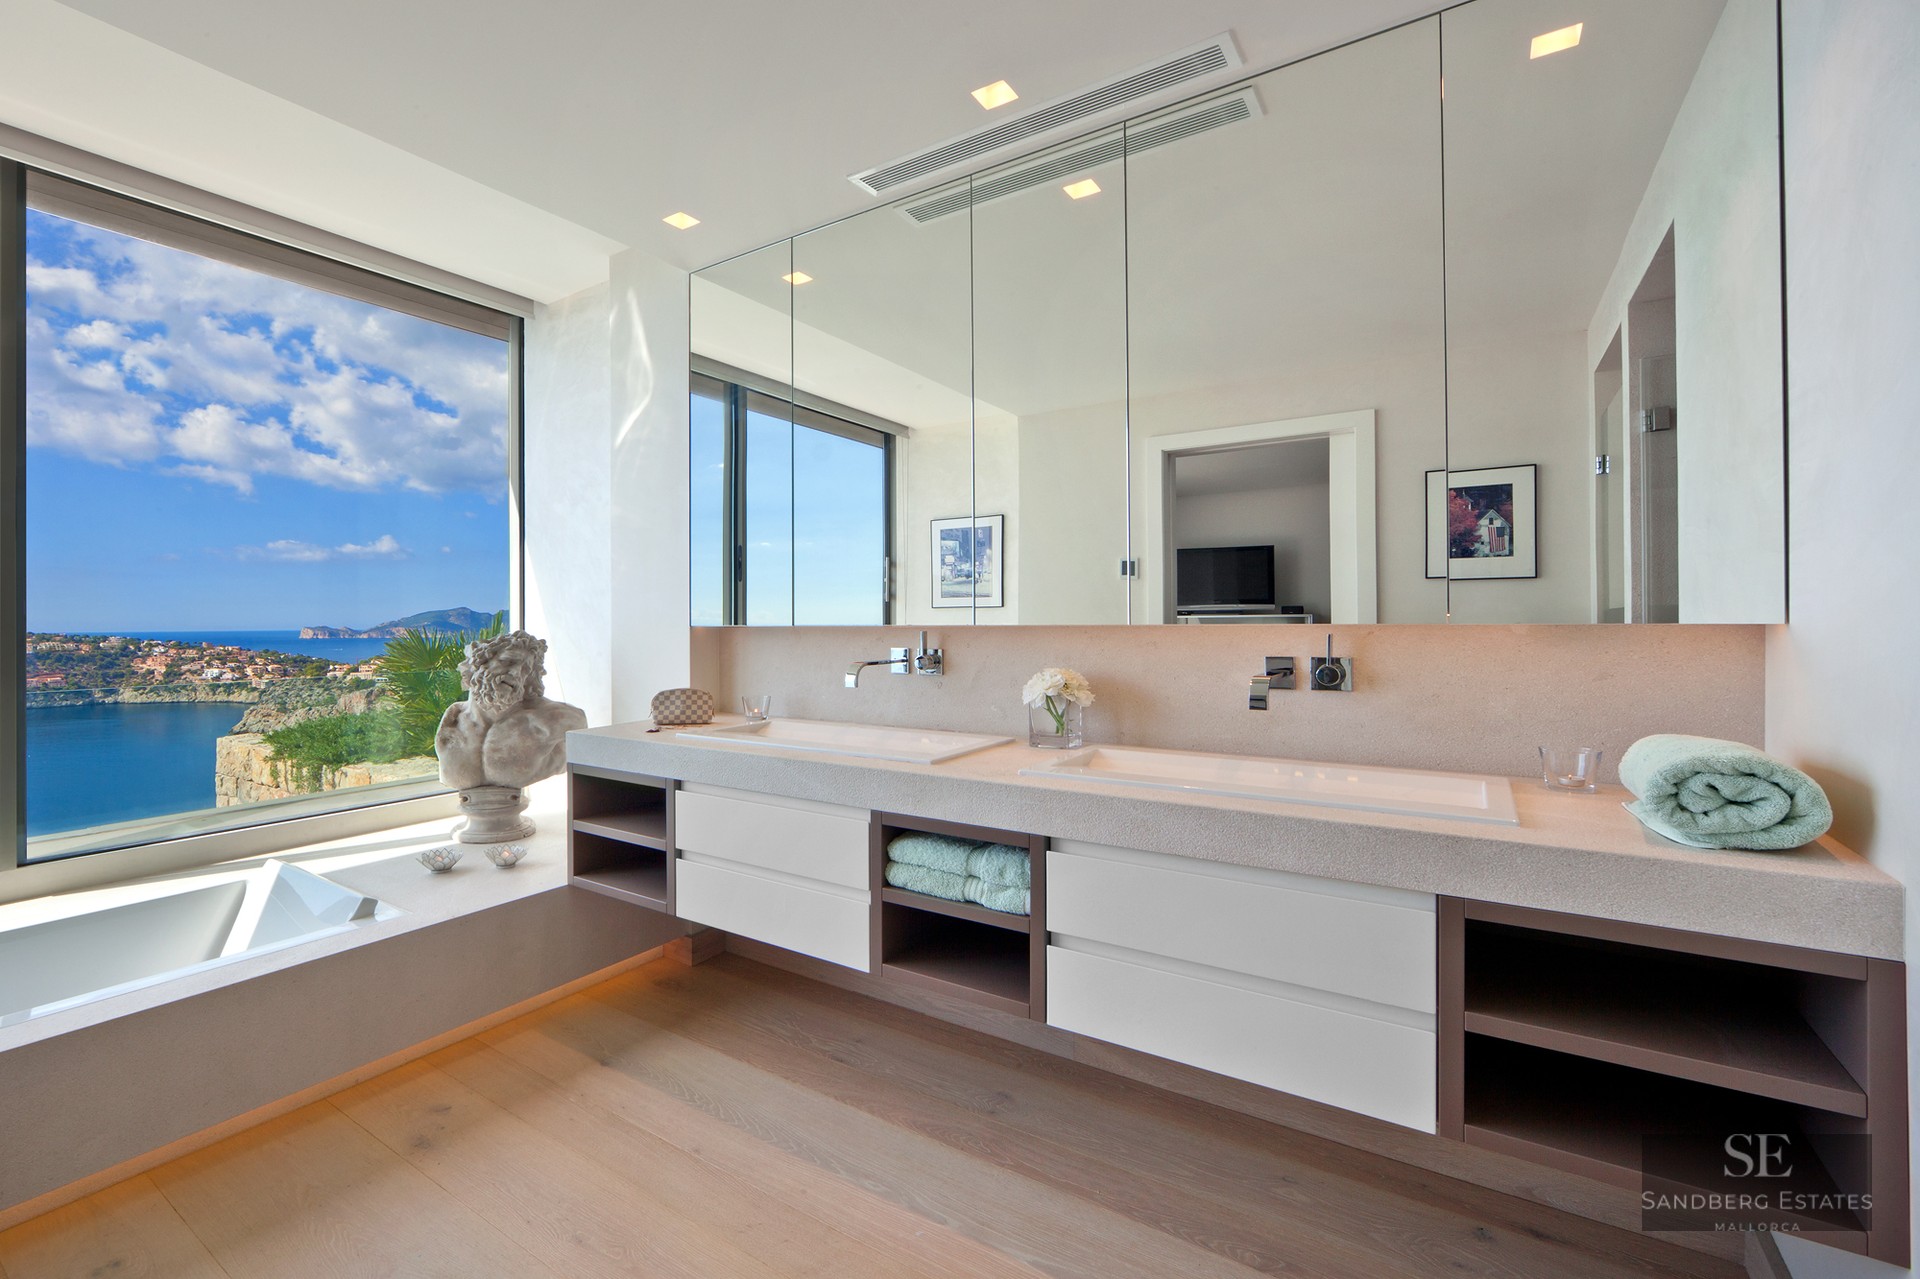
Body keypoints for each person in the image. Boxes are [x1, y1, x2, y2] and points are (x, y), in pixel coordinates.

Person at [435, 631, 586, 791]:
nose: (516, 673)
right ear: (478, 664)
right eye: (507, 661)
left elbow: (585, 759)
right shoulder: (452, 718)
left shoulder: (557, 720)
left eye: (525, 669)